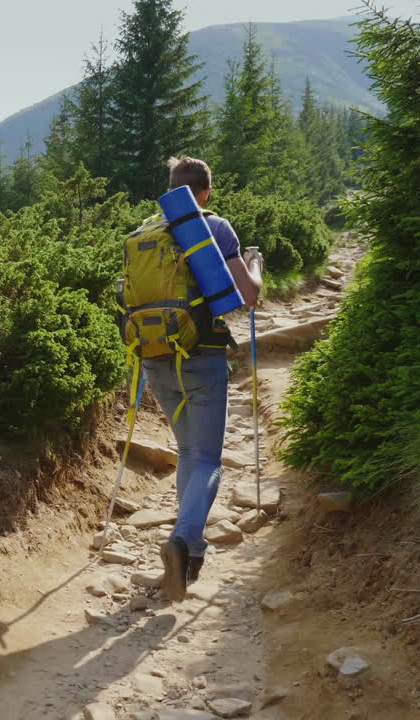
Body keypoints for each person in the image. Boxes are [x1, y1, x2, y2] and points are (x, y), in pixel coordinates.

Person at [145, 156, 263, 602]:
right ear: (206, 192)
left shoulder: (149, 229)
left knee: (188, 452)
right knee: (208, 458)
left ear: (173, 189)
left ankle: (188, 552)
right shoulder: (216, 227)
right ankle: (183, 541)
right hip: (202, 356)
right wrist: (255, 263)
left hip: (157, 358)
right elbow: (247, 296)